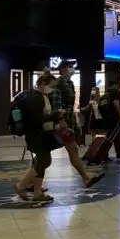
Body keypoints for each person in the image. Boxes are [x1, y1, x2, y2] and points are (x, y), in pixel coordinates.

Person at [49, 61, 103, 188]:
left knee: (72, 149)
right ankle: (29, 183)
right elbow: (57, 104)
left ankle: (86, 178)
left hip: (67, 122)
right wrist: (62, 122)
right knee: (45, 154)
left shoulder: (70, 83)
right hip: (61, 124)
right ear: (63, 69)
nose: (72, 69)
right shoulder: (60, 83)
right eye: (70, 67)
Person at [14, 72, 62, 202]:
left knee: (40, 162)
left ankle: (37, 193)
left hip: (40, 134)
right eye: (51, 86)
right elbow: (38, 118)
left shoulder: (40, 96)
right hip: (37, 135)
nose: (52, 89)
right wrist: (56, 114)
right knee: (44, 161)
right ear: (43, 83)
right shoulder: (36, 97)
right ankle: (21, 186)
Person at [102, 81, 120, 159]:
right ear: (115, 85)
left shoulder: (106, 93)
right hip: (114, 118)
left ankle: (119, 152)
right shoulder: (115, 92)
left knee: (116, 136)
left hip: (108, 118)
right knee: (111, 136)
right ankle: (104, 154)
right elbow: (116, 103)